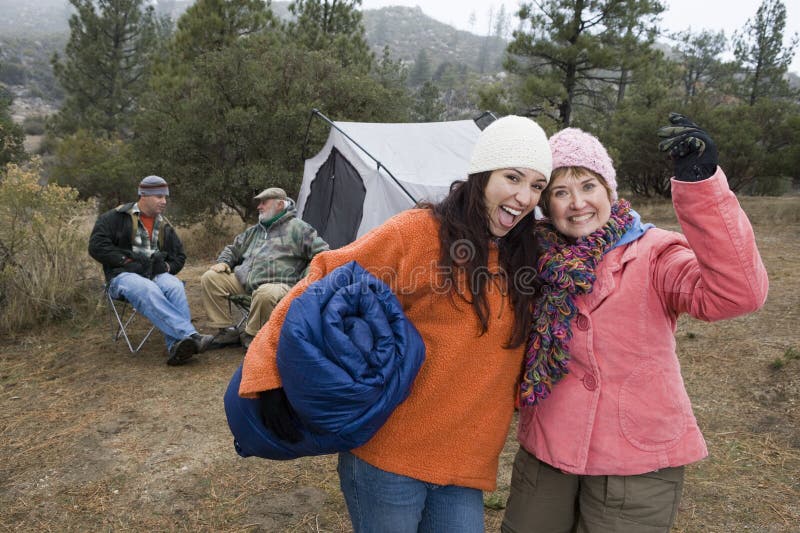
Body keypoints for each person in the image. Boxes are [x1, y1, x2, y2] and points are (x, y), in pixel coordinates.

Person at [238, 115, 553, 532]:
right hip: (388, 456)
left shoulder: (530, 255)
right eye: (512, 177)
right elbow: (323, 276)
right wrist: (269, 373)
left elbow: (597, 231)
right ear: (481, 174)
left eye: (536, 186)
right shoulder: (420, 233)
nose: (523, 196)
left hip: (464, 465)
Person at [501, 115, 769, 533]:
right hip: (548, 448)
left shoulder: (655, 252)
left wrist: (701, 188)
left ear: (608, 189)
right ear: (546, 204)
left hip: (636, 456)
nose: (577, 203)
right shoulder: (530, 258)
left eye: (588, 186)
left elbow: (736, 295)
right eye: (561, 191)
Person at [89, 175, 214, 366]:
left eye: (165, 197)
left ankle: (177, 348)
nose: (164, 201)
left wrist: (165, 267)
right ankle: (190, 335)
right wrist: (125, 260)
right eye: (159, 197)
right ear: (144, 195)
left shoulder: (164, 225)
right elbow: (97, 246)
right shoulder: (115, 217)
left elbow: (179, 256)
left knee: (174, 285)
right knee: (147, 288)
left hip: (154, 275)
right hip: (122, 276)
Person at [200, 187, 329, 349]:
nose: (259, 206)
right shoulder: (255, 231)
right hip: (245, 281)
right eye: (259, 203)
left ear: (280, 205)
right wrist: (224, 261)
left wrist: (308, 278)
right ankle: (227, 331)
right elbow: (233, 249)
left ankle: (253, 336)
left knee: (265, 293)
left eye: (264, 202)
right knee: (210, 278)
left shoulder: (299, 228)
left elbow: (323, 254)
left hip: (280, 285)